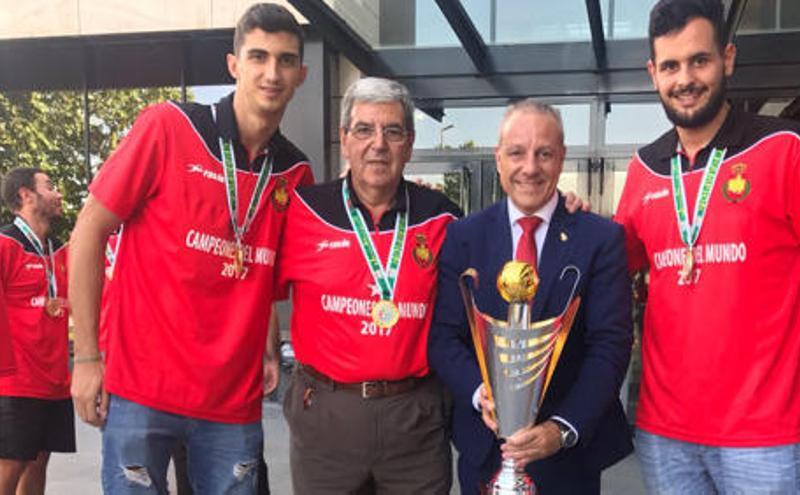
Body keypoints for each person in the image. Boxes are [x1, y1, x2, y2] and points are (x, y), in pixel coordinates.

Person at [613, 1, 800, 493]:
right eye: (670, 66)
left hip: (763, 440)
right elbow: (609, 271)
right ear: (653, 73)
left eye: (699, 60)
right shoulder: (643, 170)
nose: (685, 79)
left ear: (727, 58)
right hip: (664, 434)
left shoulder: (787, 147)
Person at [67, 3, 312, 493]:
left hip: (230, 403)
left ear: (301, 74)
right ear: (233, 64)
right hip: (141, 391)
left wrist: (269, 351)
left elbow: (257, 273)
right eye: (258, 56)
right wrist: (88, 358)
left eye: (285, 60)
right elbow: (88, 231)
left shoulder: (294, 173)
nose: (271, 73)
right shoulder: (168, 127)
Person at [428, 100, 634, 495]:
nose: (530, 167)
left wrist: (562, 428)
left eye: (544, 153)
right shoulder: (463, 237)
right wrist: (479, 394)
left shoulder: (600, 239)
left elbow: (610, 345)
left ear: (561, 159)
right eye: (517, 153)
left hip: (567, 455)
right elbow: (443, 336)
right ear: (499, 158)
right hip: (485, 449)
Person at [276, 76, 461, 494]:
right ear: (345, 140)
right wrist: (268, 352)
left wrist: (561, 211)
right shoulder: (303, 210)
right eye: (364, 129)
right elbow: (249, 284)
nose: (378, 143)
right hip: (326, 415)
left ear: (408, 144)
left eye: (392, 131)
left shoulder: (443, 216)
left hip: (414, 418)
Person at [0, 167, 74, 495]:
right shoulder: (4, 245)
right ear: (25, 195)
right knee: (11, 462)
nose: (58, 193)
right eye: (50, 186)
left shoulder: (59, 250)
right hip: (15, 381)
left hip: (54, 380)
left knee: (39, 462)